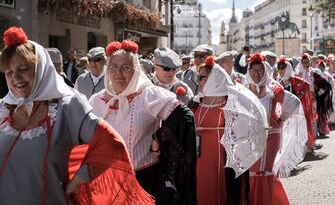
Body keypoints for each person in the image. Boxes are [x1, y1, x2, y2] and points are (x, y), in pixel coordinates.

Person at [0, 27, 153, 204]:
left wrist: (77, 182)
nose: (15, 77)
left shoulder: (67, 106)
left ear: (41, 69)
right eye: (9, 72)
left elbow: (111, 144)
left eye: (23, 68)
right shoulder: (3, 111)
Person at [89, 40, 197, 204]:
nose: (119, 73)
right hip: (106, 181)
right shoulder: (96, 101)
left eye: (126, 67)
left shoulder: (148, 96)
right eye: (114, 67)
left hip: (143, 181)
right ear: (108, 70)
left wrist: (158, 138)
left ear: (136, 71)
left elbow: (184, 118)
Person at [192, 55, 267, 205]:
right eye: (199, 77)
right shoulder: (195, 102)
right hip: (198, 157)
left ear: (214, 79)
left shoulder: (231, 104)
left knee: (219, 193)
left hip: (220, 159)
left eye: (202, 77)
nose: (198, 81)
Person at [244, 52, 302, 205]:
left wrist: (280, 120)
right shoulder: (242, 91)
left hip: (271, 138)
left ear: (265, 71)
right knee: (251, 172)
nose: (257, 74)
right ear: (249, 72)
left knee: (264, 171)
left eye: (260, 70)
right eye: (254, 71)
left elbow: (294, 102)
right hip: (249, 139)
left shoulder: (274, 91)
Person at [277, 57, 317, 150]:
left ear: (288, 68)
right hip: (284, 111)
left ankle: (300, 148)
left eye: (283, 67)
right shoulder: (278, 81)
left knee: (297, 130)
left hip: (296, 111)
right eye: (279, 68)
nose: (280, 70)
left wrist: (299, 97)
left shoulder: (294, 80)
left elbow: (306, 86)